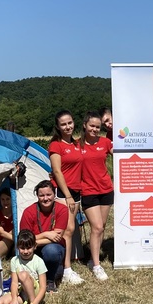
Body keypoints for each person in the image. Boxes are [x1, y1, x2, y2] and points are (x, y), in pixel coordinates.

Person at [47, 109, 84, 284]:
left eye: (70, 123)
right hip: (64, 192)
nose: (68, 126)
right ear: (58, 127)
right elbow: (56, 171)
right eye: (63, 124)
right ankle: (66, 269)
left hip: (76, 191)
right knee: (67, 230)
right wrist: (68, 195)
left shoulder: (76, 144)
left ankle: (66, 264)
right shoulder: (56, 145)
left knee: (70, 229)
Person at [19, 180, 70, 292]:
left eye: (48, 194)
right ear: (37, 196)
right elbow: (23, 239)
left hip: (52, 249)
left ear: (54, 194)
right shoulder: (29, 212)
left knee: (51, 251)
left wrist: (34, 241)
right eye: (41, 195)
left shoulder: (62, 209)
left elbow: (57, 237)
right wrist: (46, 234)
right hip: (33, 251)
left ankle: (50, 280)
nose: (45, 198)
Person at [80, 111, 114, 280]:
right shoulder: (77, 145)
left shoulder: (105, 142)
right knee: (97, 227)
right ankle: (96, 265)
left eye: (98, 127)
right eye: (92, 126)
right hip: (88, 191)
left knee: (102, 226)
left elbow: (123, 155)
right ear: (85, 125)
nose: (94, 129)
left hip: (106, 189)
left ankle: (93, 259)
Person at [9, 229, 47, 304]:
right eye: (22, 248)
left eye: (29, 248)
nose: (25, 251)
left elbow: (43, 287)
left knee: (23, 275)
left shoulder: (39, 261)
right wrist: (14, 298)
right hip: (22, 292)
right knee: (1, 303)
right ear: (17, 247)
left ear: (35, 246)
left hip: (35, 292)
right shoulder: (14, 260)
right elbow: (14, 283)